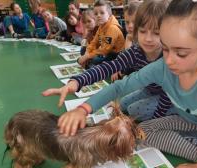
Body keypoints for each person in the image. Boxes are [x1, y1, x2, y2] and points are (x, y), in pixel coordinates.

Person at [46, 0, 197, 168]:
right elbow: (120, 86)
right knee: (142, 133)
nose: (169, 60)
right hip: (188, 122)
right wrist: (83, 109)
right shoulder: (162, 67)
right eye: (165, 48)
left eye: (181, 53)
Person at [43, 0, 171, 122]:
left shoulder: (168, 59)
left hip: (168, 97)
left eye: (156, 33)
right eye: (143, 31)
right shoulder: (136, 51)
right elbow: (108, 67)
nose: (148, 39)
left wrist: (157, 118)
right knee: (122, 104)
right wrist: (77, 81)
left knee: (133, 109)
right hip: (149, 89)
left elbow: (168, 94)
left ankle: (170, 113)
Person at [77, 0, 125, 68]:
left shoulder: (112, 28)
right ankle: (90, 63)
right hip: (106, 51)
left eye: (102, 13)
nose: (98, 16)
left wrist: (87, 56)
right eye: (96, 14)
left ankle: (93, 65)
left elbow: (105, 50)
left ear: (109, 14)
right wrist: (86, 53)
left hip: (115, 54)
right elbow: (94, 42)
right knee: (84, 50)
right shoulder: (101, 26)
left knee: (95, 60)